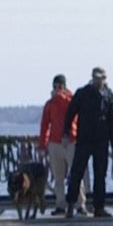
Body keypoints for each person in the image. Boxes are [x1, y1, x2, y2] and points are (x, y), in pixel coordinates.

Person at [64, 67, 113, 217]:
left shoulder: (109, 95)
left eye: (99, 78)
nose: (97, 80)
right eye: (95, 78)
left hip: (101, 140)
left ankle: (99, 207)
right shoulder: (82, 93)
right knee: (76, 173)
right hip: (84, 139)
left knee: (100, 175)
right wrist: (65, 133)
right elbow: (70, 113)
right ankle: (70, 204)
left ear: (104, 79)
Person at [37, 73, 76, 216]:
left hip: (71, 141)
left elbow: (72, 112)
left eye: (59, 86)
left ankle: (79, 204)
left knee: (76, 174)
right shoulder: (50, 103)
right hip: (54, 142)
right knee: (58, 177)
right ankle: (60, 204)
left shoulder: (72, 100)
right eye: (55, 86)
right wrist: (42, 145)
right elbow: (44, 125)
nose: (56, 89)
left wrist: (60, 96)